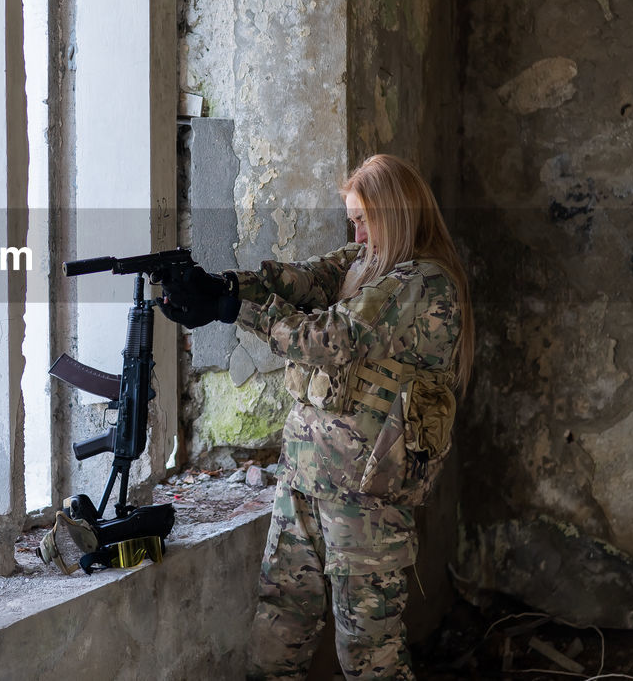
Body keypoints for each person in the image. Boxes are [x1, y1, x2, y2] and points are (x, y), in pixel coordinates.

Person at [156, 154, 473, 681]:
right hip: (304, 478)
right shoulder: (363, 261)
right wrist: (224, 288)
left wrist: (235, 310)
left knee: (370, 658)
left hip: (366, 497)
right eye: (353, 218)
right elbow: (302, 282)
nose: (357, 230)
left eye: (365, 218)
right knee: (279, 627)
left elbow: (332, 337)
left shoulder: (423, 283)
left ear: (395, 214)